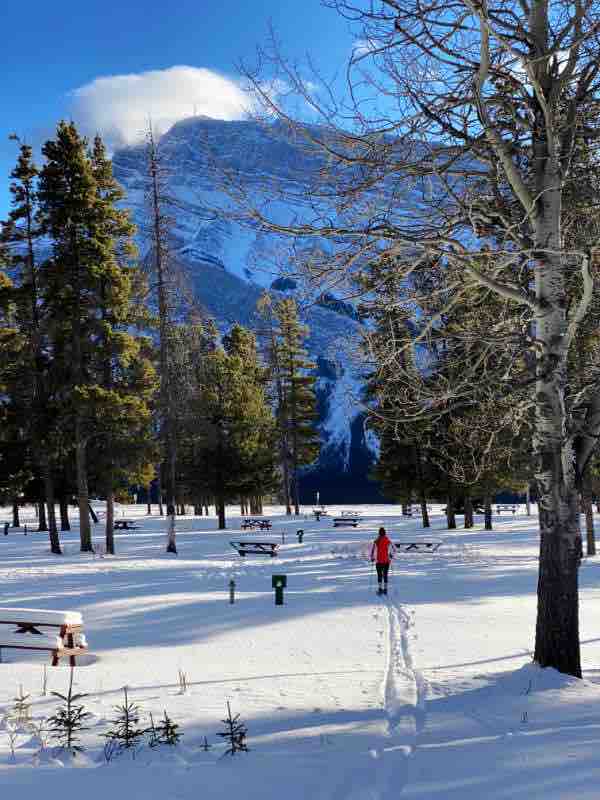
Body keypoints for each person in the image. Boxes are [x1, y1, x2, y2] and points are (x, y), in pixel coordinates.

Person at [370, 527, 395, 595]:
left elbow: (373, 550)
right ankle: (386, 589)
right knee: (385, 575)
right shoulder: (388, 541)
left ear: (379, 533)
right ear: (385, 533)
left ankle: (380, 589)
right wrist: (391, 555)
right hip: (386, 561)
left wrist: (372, 558)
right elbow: (393, 549)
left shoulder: (376, 541)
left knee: (379, 575)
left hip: (379, 561)